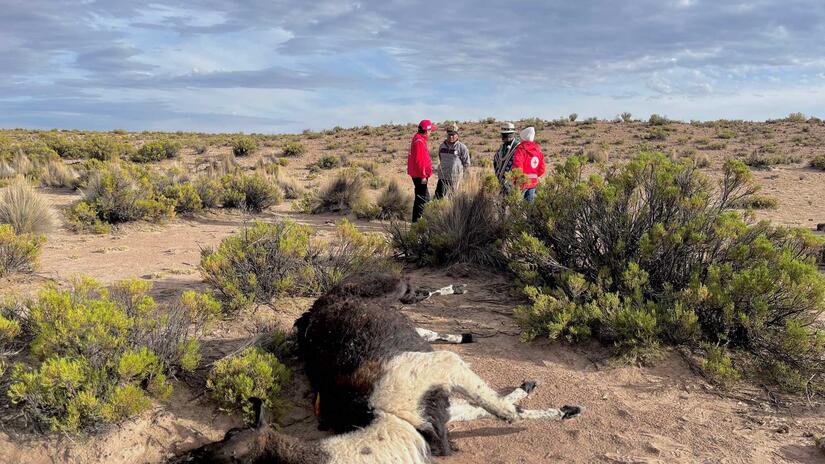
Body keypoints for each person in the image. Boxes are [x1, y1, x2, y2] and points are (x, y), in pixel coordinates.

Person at [407, 119, 437, 222]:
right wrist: (423, 175)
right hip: (420, 175)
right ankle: (417, 223)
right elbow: (419, 161)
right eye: (430, 130)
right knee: (423, 199)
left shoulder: (419, 138)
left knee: (420, 198)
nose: (431, 132)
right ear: (426, 131)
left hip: (417, 174)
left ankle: (416, 222)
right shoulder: (419, 141)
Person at [434, 123, 471, 199]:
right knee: (438, 197)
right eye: (449, 134)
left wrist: (463, 175)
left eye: (453, 135)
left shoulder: (462, 147)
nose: (451, 137)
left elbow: (466, 163)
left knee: (453, 198)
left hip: (455, 178)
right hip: (443, 176)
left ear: (457, 135)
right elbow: (441, 158)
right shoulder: (442, 146)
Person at [510, 127, 546, 201]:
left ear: (523, 137)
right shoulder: (538, 150)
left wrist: (515, 180)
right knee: (529, 208)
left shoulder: (520, 149)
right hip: (533, 184)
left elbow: (517, 166)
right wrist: (533, 176)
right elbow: (542, 169)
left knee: (517, 207)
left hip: (521, 184)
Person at [493, 122, 520, 192]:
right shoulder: (502, 146)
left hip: (512, 182)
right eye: (503, 134)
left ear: (512, 134)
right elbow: (496, 160)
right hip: (501, 180)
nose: (503, 137)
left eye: (505, 135)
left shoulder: (518, 147)